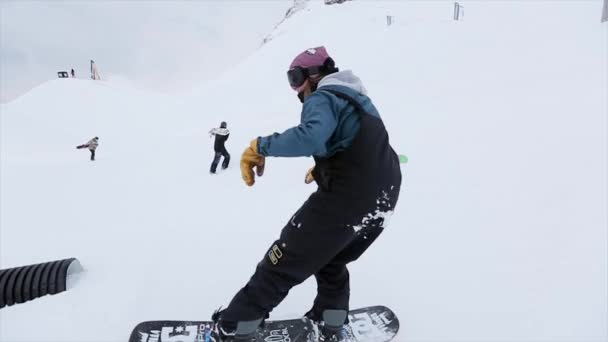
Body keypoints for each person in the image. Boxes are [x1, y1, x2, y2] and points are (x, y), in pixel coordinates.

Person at [211, 46, 402, 341]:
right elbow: (362, 145)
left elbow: (311, 135)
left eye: (295, 78)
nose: (295, 89)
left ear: (314, 75)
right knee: (331, 258)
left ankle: (236, 326)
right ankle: (331, 320)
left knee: (282, 258)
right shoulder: (359, 100)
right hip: (383, 199)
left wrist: (260, 146)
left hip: (347, 198)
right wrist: (328, 167)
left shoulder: (324, 95)